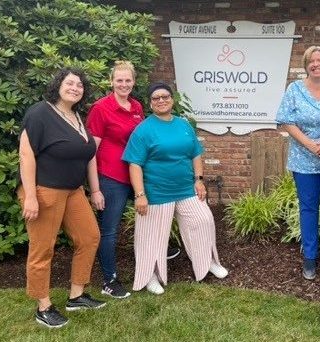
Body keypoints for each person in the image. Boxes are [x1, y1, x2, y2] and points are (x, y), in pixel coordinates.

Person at [17, 68, 105, 328]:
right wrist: (31, 196)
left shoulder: (76, 116)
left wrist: (94, 189)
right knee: (42, 249)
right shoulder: (40, 113)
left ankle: (76, 296)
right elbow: (26, 154)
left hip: (73, 191)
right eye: (70, 83)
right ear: (58, 85)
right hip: (45, 190)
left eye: (79, 85)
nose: (75, 88)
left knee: (89, 237)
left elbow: (88, 155)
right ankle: (43, 306)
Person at [122, 82, 228, 295]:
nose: (161, 100)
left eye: (165, 96)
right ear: (151, 103)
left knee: (203, 220)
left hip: (185, 189)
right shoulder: (144, 129)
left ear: (172, 99)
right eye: (156, 98)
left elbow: (195, 154)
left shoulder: (183, 125)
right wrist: (140, 195)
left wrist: (198, 179)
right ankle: (150, 277)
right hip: (156, 193)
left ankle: (207, 263)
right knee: (151, 236)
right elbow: (134, 164)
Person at [86, 61, 180, 300]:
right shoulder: (101, 108)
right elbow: (90, 151)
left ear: (134, 82)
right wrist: (95, 188)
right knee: (109, 231)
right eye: (119, 80)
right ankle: (109, 280)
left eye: (128, 80)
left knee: (150, 215)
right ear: (111, 82)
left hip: (136, 175)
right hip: (112, 177)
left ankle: (156, 254)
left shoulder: (137, 106)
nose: (124, 84)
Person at [275, 46, 320, 280]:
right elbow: (286, 120)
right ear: (306, 65)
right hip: (303, 160)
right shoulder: (294, 89)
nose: (316, 64)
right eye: (311, 61)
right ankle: (310, 258)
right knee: (308, 208)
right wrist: (309, 144)